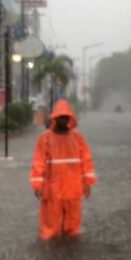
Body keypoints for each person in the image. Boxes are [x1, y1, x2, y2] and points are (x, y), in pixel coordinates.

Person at [30, 99, 97, 240]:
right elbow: (38, 162)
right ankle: (52, 248)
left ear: (69, 118)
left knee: (72, 225)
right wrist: (38, 186)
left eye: (65, 117)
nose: (63, 120)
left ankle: (69, 248)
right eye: (60, 117)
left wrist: (88, 183)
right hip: (52, 188)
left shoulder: (77, 138)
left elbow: (86, 160)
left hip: (73, 187)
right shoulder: (45, 138)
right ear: (55, 118)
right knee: (50, 224)